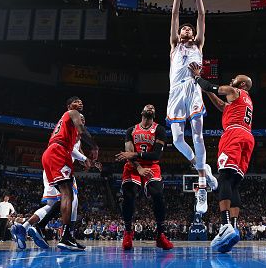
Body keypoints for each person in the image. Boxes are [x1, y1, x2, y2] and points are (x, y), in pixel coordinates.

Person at [188, 62, 254, 253]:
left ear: (241, 85)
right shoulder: (245, 101)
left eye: (236, 80)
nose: (232, 80)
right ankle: (233, 227)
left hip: (233, 135)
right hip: (247, 137)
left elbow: (212, 87)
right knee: (233, 183)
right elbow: (219, 103)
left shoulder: (234, 91)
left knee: (224, 177)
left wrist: (198, 77)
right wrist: (206, 91)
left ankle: (224, 225)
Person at [167, 0, 217, 214]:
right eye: (183, 28)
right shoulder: (175, 45)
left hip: (193, 88)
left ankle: (201, 185)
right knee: (177, 139)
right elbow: (175, 12)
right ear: (177, 33)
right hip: (175, 91)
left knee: (197, 135)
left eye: (190, 28)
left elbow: (202, 16)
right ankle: (202, 166)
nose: (187, 29)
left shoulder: (198, 43)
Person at [12, 110, 99, 250]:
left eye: (84, 120)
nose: (82, 122)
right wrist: (87, 156)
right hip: (59, 163)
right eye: (80, 119)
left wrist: (88, 162)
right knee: (72, 198)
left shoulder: (72, 136)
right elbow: (71, 151)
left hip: (52, 165)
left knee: (52, 204)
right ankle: (67, 236)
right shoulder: (73, 130)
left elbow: (78, 154)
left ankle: (24, 227)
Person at [40, 96, 98, 251]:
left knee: (65, 196)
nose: (80, 103)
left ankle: (41, 226)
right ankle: (65, 237)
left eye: (81, 101)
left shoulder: (68, 126)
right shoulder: (73, 113)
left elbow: (76, 140)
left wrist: (84, 160)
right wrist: (95, 146)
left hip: (52, 152)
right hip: (58, 152)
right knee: (68, 195)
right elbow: (82, 130)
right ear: (69, 106)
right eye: (76, 101)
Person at [115, 104, 173, 251]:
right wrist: (139, 167)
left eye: (153, 108)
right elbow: (128, 155)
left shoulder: (159, 130)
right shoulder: (131, 130)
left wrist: (135, 155)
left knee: (158, 194)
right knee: (129, 196)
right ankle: (128, 232)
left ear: (154, 114)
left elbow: (157, 155)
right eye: (148, 107)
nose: (150, 108)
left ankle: (160, 235)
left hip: (152, 165)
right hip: (133, 166)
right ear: (142, 112)